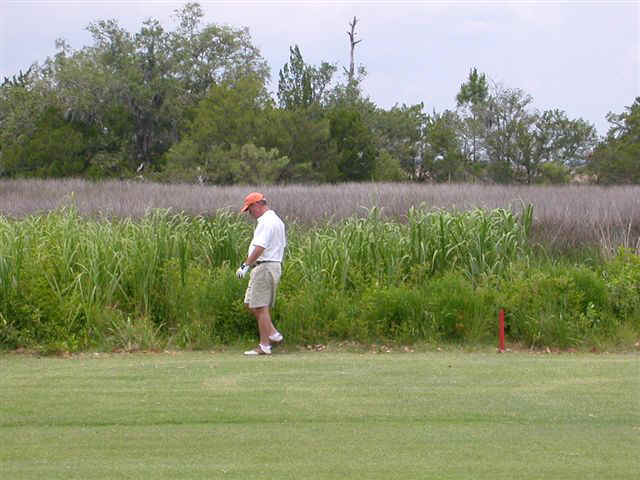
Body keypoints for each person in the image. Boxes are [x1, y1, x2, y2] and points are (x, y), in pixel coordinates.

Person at [236, 192, 286, 356]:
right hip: (267, 266)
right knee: (251, 304)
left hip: (265, 266)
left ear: (257, 205)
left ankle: (265, 345)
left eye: (249, 210)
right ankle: (273, 334)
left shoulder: (267, 221)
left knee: (260, 306)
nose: (250, 214)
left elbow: (260, 247)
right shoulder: (275, 220)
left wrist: (245, 265)